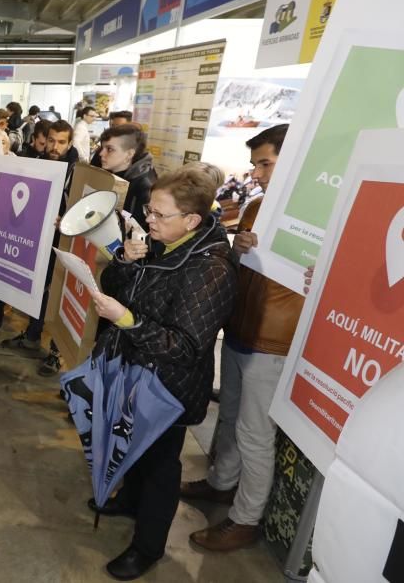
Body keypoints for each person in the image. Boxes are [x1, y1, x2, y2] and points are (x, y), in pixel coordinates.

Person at [86, 168, 238, 580]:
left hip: (168, 389)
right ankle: (129, 500)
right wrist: (124, 261)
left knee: (160, 467)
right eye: (149, 210)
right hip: (137, 373)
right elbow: (119, 286)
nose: (148, 220)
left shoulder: (212, 270)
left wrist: (128, 321)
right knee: (133, 446)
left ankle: (148, 547)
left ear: (191, 220)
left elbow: (186, 347)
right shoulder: (164, 244)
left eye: (159, 214)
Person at [184, 126, 304, 552]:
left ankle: (246, 519)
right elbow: (241, 265)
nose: (257, 172)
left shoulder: (317, 218)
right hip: (239, 330)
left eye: (265, 163)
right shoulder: (255, 207)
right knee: (230, 418)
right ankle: (221, 483)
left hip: (274, 341)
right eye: (255, 163)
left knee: (256, 433)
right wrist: (240, 246)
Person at [1, 120, 80, 374]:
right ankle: (32, 336)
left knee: (59, 297)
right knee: (38, 290)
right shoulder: (38, 162)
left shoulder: (77, 172)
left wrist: (66, 220)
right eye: (52, 141)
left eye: (61, 142)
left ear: (69, 144)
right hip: (37, 239)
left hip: (65, 244)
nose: (55, 147)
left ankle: (57, 354)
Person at [98, 123, 157, 228]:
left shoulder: (145, 188)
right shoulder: (110, 175)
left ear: (129, 154)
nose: (101, 153)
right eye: (102, 147)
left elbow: (141, 229)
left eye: (110, 149)